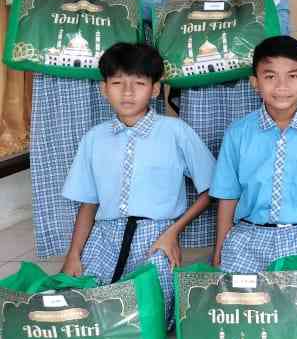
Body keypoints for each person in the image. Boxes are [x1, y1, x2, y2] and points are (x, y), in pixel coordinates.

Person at [21, 0, 169, 258]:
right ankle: (66, 243)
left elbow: (161, 7)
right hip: (64, 70)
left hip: (124, 74)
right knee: (67, 152)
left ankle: (126, 238)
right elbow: (25, 1)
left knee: (125, 152)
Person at [61, 43, 214, 323]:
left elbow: (212, 191)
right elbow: (88, 203)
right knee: (83, 310)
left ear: (155, 89)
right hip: (105, 237)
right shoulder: (94, 138)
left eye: (139, 83)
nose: (128, 92)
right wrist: (73, 255)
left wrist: (173, 232)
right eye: (117, 83)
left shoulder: (175, 132)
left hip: (156, 238)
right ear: (104, 89)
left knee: (151, 315)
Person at [211, 36, 297, 326]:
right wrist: (219, 252)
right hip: (249, 238)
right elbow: (227, 196)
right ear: (255, 82)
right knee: (236, 315)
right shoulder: (238, 133)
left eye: (292, 76)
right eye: (270, 76)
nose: (282, 86)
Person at [175, 0, 291, 248]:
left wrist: (250, 0)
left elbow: (282, 36)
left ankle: (247, 228)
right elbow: (178, 37)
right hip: (202, 86)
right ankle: (203, 236)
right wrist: (187, 2)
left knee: (250, 154)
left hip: (247, 85)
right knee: (202, 155)